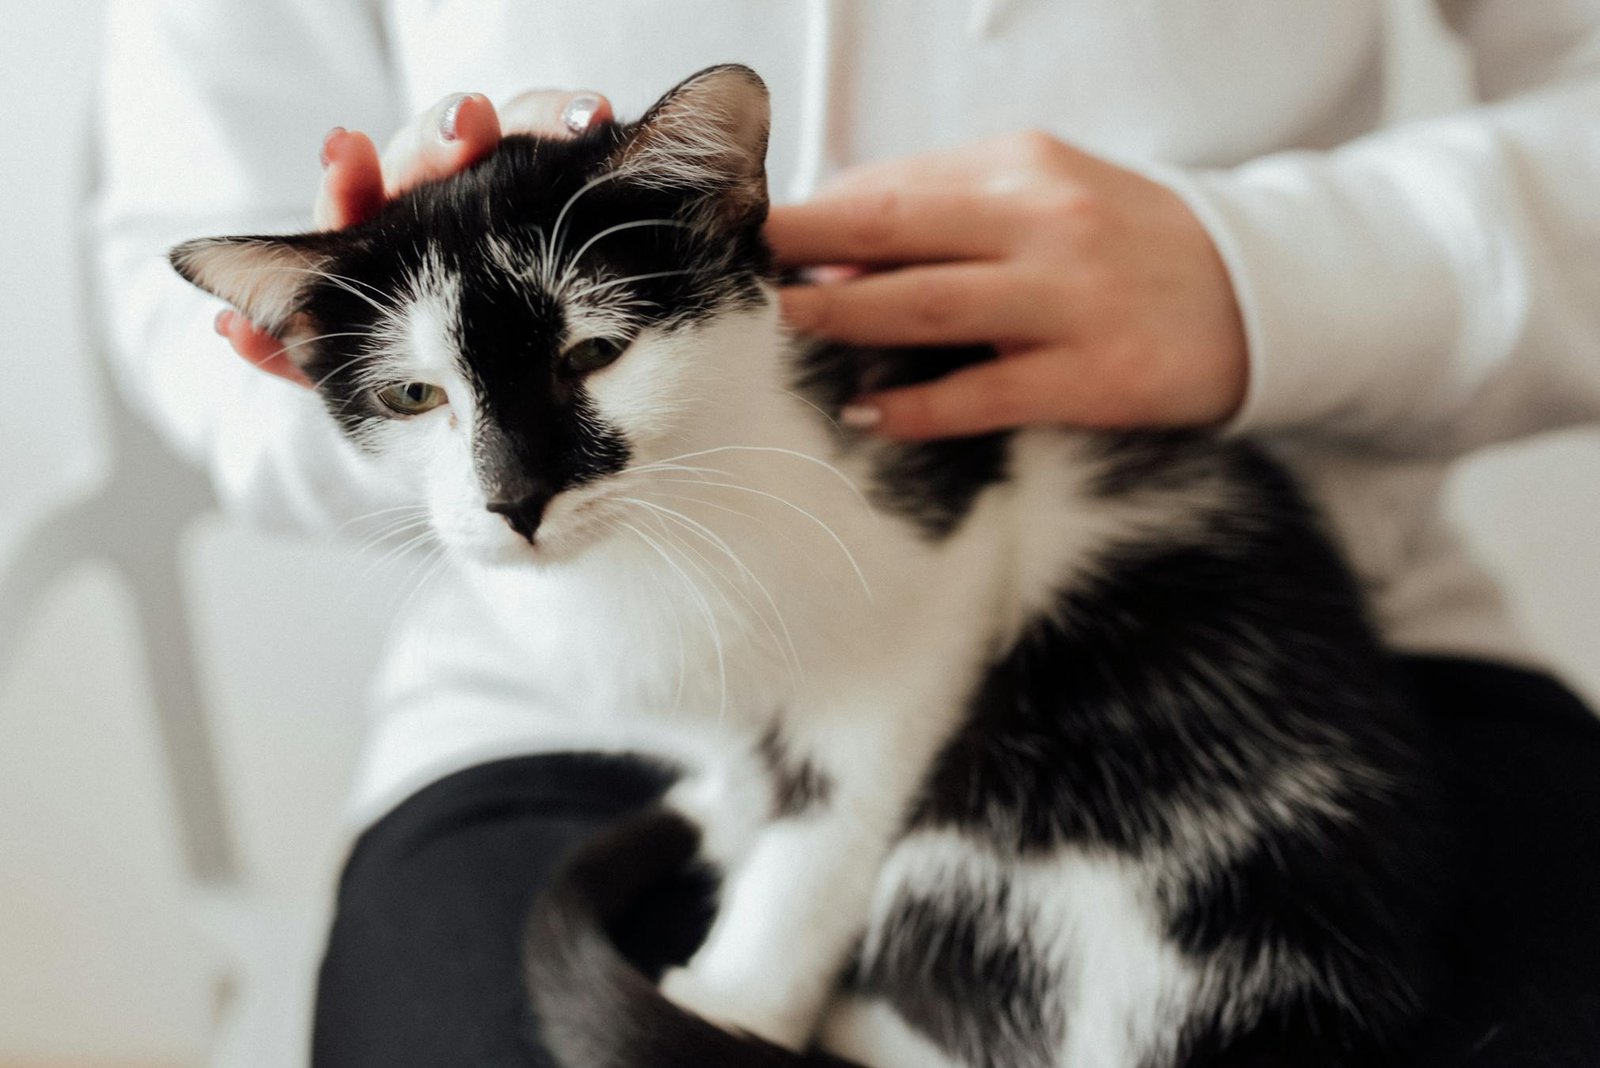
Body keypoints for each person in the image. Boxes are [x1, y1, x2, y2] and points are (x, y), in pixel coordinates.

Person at [94, 1, 1600, 1063]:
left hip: (1285, 641)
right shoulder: (512, 463)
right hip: (547, 706)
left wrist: (1274, 275)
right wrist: (319, 354)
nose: (511, 476)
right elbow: (166, 265)